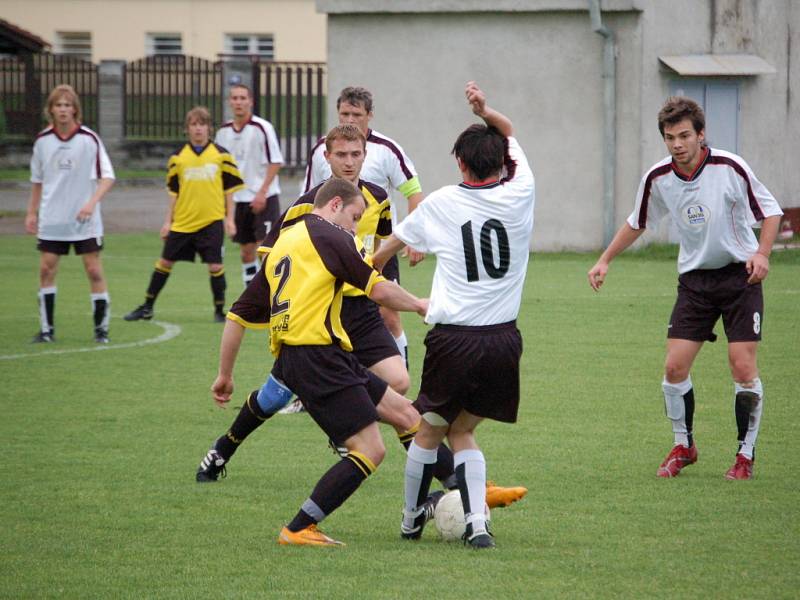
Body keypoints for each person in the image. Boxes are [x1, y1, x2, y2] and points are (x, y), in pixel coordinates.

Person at [196, 124, 527, 513]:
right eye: (341, 155)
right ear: (327, 157)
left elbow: (380, 258)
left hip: (362, 308)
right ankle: (224, 448)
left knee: (400, 385)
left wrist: (394, 300)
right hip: (316, 314)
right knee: (274, 396)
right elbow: (276, 264)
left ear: (365, 156)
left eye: (356, 155)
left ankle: (456, 480)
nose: (350, 162)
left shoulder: (377, 199)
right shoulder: (307, 208)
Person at [212, 178, 428, 546]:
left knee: (408, 416)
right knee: (370, 450)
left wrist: (224, 375)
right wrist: (421, 304)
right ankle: (298, 527)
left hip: (319, 355)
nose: (356, 227)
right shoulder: (330, 236)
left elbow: (238, 314)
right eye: (355, 216)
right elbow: (377, 288)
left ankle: (465, 489)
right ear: (334, 205)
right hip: (315, 357)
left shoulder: (285, 246)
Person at [372, 82, 535, 548]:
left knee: (428, 431)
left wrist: (364, 268)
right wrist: (486, 110)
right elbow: (509, 130)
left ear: (461, 164)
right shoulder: (522, 190)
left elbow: (393, 244)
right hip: (503, 340)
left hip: (454, 340)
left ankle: (409, 519)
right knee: (462, 430)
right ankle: (478, 525)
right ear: (503, 161)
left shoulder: (442, 203)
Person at [587, 96, 783, 481]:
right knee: (674, 367)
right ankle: (684, 445)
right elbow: (638, 221)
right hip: (695, 282)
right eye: (669, 137)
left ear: (700, 134)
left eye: (684, 135)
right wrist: (604, 259)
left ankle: (745, 455)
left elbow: (771, 210)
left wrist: (762, 254)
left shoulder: (730, 167)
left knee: (742, 367)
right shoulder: (658, 177)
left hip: (741, 276)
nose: (677, 144)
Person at [302, 86, 424, 368]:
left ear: (370, 115)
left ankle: (399, 376)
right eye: (344, 113)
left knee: (389, 314)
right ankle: (310, 384)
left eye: (357, 114)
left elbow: (414, 192)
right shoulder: (323, 149)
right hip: (332, 249)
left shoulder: (386, 150)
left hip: (376, 247)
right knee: (322, 314)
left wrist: (413, 238)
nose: (350, 119)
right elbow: (307, 198)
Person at [124, 107, 244, 323]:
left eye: (202, 124)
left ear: (209, 128)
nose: (198, 128)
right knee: (164, 262)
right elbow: (173, 192)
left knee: (216, 266)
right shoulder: (178, 158)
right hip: (183, 222)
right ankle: (147, 307)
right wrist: (167, 221)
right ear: (187, 129)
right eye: (193, 124)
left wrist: (230, 219)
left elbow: (230, 189)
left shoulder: (222, 155)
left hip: (212, 221)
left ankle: (219, 311)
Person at [25, 84, 115, 344]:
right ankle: (46, 330)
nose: (63, 110)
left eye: (67, 105)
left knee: (94, 271)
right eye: (58, 105)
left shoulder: (89, 139)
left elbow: (107, 177)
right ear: (50, 110)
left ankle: (101, 331)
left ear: (75, 109)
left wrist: (91, 203)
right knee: (46, 270)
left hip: (85, 222)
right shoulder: (43, 141)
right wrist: (31, 213)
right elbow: (37, 181)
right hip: (53, 219)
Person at [214, 84, 284, 286]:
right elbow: (221, 169)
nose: (238, 102)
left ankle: (271, 295)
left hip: (265, 197)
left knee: (266, 250)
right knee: (246, 253)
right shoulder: (223, 132)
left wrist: (262, 193)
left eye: (242, 98)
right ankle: (251, 297)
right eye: (234, 98)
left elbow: (275, 161)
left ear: (251, 101)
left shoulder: (263, 128)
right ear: (230, 102)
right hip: (238, 200)